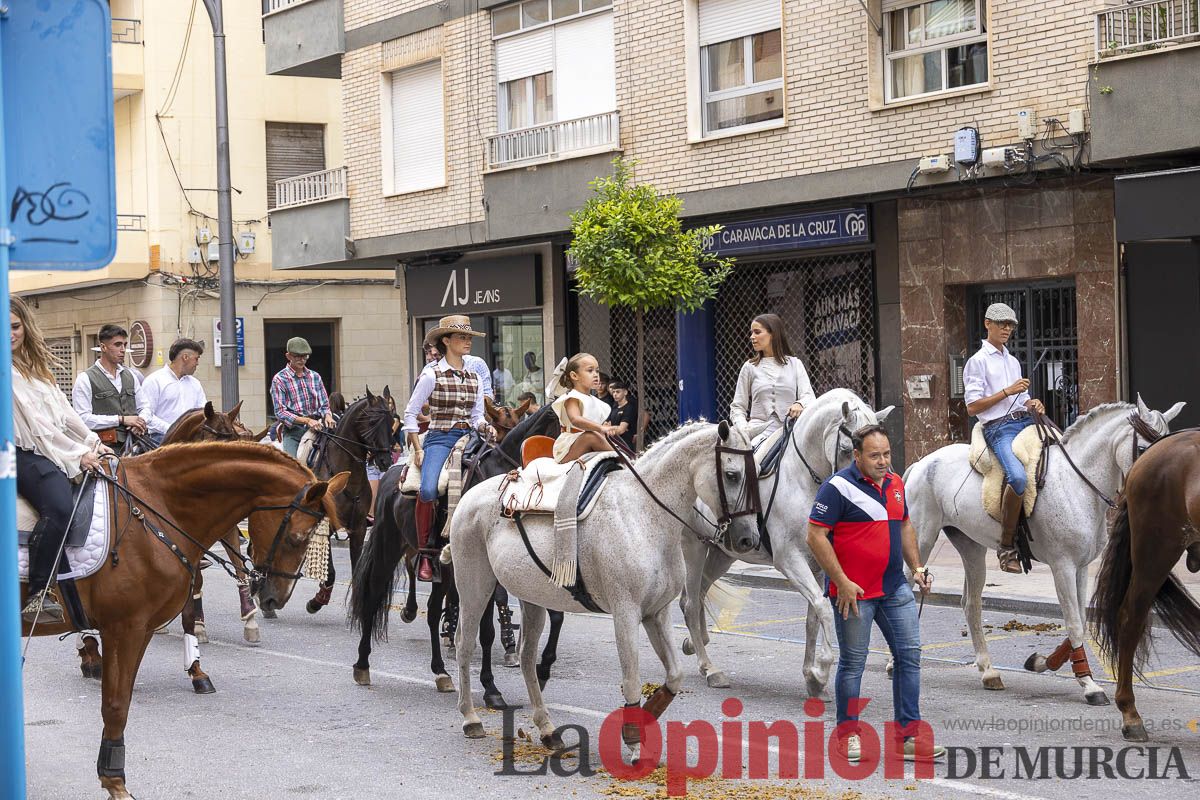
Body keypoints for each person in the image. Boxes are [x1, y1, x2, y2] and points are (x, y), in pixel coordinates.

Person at [806, 424, 945, 765]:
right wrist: (841, 581)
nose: (883, 461)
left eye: (886, 454)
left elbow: (905, 524)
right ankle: (847, 736)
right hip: (854, 594)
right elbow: (815, 535)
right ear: (856, 456)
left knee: (909, 656)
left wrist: (917, 567)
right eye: (874, 456)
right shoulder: (837, 488)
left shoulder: (895, 483)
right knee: (853, 664)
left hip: (894, 587)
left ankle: (908, 738)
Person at [11, 296, 113, 623]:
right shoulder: (5, 371)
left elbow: (66, 414)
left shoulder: (37, 369)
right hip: (17, 453)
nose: (9, 334)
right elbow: (38, 428)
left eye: (15, 326)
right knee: (58, 507)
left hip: (48, 449)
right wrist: (79, 455)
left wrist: (94, 442)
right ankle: (39, 593)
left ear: (26, 327)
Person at [403, 315, 492, 581]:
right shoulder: (431, 374)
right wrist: (418, 449)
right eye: (462, 337)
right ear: (446, 341)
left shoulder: (475, 377)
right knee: (429, 488)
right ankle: (425, 551)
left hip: (470, 437)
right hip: (440, 438)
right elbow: (410, 414)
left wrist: (486, 427)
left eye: (468, 337)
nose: (467, 341)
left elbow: (477, 416)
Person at [962, 302, 1047, 574]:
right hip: (998, 428)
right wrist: (1007, 391)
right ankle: (1007, 547)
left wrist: (1032, 403)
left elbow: (1020, 401)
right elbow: (972, 407)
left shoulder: (1012, 361)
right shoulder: (977, 361)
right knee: (1018, 477)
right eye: (1002, 324)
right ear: (987, 324)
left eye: (1010, 325)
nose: (1007, 329)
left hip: (1024, 421)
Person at [730, 313, 816, 445]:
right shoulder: (749, 367)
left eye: (757, 332)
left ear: (773, 334)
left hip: (791, 430)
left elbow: (809, 396)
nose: (752, 337)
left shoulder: (795, 364)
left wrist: (800, 404)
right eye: (751, 333)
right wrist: (744, 429)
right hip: (758, 433)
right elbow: (737, 407)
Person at [72, 323, 147, 452]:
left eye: (124, 345)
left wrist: (140, 421)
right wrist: (120, 420)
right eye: (117, 345)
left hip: (136, 444)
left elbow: (144, 406)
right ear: (103, 347)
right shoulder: (85, 379)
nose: (123, 349)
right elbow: (83, 419)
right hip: (104, 449)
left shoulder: (131, 376)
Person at [270, 336, 335, 458]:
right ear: (288, 356)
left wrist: (328, 415)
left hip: (319, 428)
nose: (302, 360)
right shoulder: (279, 379)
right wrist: (306, 420)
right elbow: (280, 412)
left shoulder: (315, 376)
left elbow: (325, 405)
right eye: (297, 356)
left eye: (305, 356)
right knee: (292, 465)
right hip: (294, 431)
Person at [138, 337, 207, 446]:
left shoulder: (195, 383)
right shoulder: (154, 381)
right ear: (185, 357)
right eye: (196, 359)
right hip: (161, 439)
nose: (197, 363)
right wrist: (173, 430)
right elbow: (147, 415)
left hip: (191, 439)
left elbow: (202, 411)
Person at [548, 353, 614, 463]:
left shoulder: (594, 400)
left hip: (590, 440)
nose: (596, 375)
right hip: (569, 446)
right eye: (590, 371)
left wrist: (604, 429)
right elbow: (576, 419)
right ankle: (625, 461)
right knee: (590, 436)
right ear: (574, 376)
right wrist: (600, 428)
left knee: (604, 440)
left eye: (597, 371)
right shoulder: (572, 398)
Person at [605, 379, 639, 452]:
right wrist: (615, 427)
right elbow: (606, 424)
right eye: (613, 392)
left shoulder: (629, 407)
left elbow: (621, 430)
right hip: (614, 443)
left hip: (625, 443)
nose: (615, 394)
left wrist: (610, 428)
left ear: (625, 392)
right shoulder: (614, 407)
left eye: (618, 392)